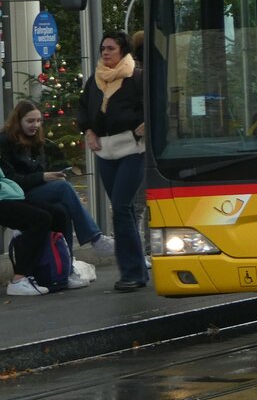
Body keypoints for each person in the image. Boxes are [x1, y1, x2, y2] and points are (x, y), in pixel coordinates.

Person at [1, 99, 114, 266]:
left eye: (38, 121)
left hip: (31, 189)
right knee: (63, 188)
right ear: (18, 121)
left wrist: (51, 175)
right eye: (30, 121)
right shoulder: (4, 141)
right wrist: (43, 177)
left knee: (62, 209)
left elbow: (37, 170)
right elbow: (10, 179)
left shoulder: (34, 140)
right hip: (15, 195)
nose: (35, 125)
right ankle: (95, 238)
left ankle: (66, 263)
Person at [77, 30, 149, 292]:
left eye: (111, 48)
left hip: (132, 150)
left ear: (123, 51)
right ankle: (137, 270)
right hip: (105, 152)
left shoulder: (136, 77)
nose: (105, 52)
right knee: (123, 210)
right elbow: (83, 108)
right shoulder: (94, 80)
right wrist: (88, 130)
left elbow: (156, 105)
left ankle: (131, 272)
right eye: (103, 48)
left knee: (120, 207)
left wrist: (147, 124)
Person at [0, 163, 81, 295]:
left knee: (58, 214)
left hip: (9, 195)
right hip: (4, 198)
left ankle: (58, 272)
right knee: (40, 219)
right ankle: (19, 278)